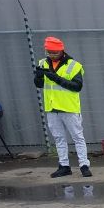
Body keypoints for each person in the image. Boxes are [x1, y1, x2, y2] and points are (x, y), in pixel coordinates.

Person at [34, 37, 91, 178]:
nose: (52, 55)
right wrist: (39, 77)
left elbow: (77, 86)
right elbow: (39, 85)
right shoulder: (42, 63)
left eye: (55, 52)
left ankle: (84, 165)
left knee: (78, 137)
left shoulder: (74, 65)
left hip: (69, 108)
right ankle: (64, 166)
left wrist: (55, 77)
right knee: (59, 138)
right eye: (49, 52)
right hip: (52, 108)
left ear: (61, 50)